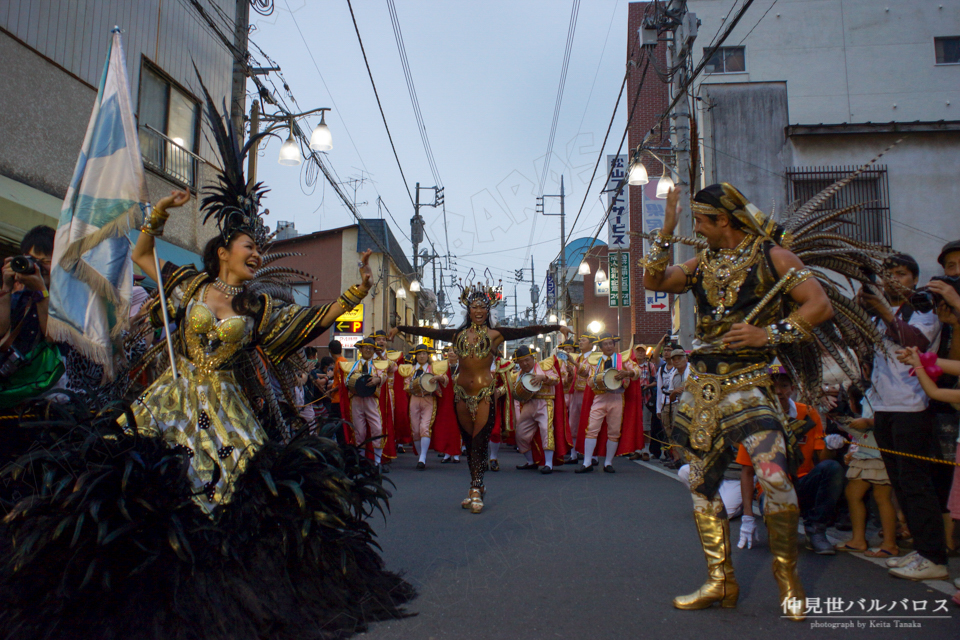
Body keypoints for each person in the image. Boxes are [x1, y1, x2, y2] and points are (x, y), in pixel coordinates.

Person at [0, 89, 413, 638]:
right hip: (173, 398)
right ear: (223, 250)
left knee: (227, 494)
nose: (257, 253)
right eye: (249, 245)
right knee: (148, 486)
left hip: (226, 408)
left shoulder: (259, 306)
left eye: (260, 248)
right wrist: (159, 216)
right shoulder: (191, 283)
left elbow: (311, 322)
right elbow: (144, 257)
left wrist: (359, 290)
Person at [643, 183, 837, 621]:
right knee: (701, 485)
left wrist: (768, 334)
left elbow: (818, 305)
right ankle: (720, 580)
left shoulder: (775, 258)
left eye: (700, 220)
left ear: (723, 221)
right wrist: (666, 232)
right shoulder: (702, 262)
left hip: (750, 384)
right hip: (703, 388)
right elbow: (654, 280)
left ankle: (788, 577)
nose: (696, 227)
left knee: (774, 477)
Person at [387, 275, 568, 513]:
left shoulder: (496, 335)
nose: (479, 310)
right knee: (471, 442)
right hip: (461, 393)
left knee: (480, 442)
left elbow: (527, 329)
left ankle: (475, 487)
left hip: (485, 392)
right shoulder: (457, 336)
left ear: (488, 309)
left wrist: (557, 327)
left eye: (483, 307)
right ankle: (476, 484)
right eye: (475, 306)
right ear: (468, 309)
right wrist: (400, 328)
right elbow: (427, 332)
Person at [856, 253, 948, 580]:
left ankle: (935, 557)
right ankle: (922, 552)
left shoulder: (924, 308)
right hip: (884, 407)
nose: (894, 280)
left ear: (914, 277)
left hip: (912, 407)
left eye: (901, 274)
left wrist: (881, 308)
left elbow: (916, 342)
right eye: (888, 274)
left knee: (916, 484)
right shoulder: (882, 315)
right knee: (900, 484)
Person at [736, 367, 844, 555]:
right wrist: (748, 517)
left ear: (792, 388)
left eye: (784, 385)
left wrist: (830, 447)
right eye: (772, 386)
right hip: (771, 490)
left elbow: (822, 459)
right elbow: (747, 471)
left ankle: (816, 530)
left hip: (802, 483)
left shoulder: (808, 413)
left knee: (832, 468)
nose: (779, 391)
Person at [0, 225, 64, 409]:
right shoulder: (19, 297)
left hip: (45, 398)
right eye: (31, 260)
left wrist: (41, 292)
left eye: (45, 261)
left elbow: (53, 337)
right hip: (11, 389)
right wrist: (6, 287)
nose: (37, 267)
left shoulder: (67, 300)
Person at [833, 384, 899, 558]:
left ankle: (890, 544)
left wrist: (868, 422)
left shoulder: (889, 390)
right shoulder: (869, 391)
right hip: (865, 450)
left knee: (882, 496)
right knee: (853, 493)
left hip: (882, 451)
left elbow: (893, 418)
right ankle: (858, 540)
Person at [575, 333, 640, 474]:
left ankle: (608, 462)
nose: (609, 346)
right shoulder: (595, 361)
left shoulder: (622, 359)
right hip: (600, 397)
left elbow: (637, 370)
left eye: (611, 343)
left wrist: (627, 374)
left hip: (617, 397)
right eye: (606, 344)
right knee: (592, 428)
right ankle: (587, 462)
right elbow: (588, 377)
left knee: (614, 431)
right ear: (600, 347)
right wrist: (594, 379)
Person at [510, 345, 567, 474]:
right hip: (529, 404)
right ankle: (530, 461)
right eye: (521, 361)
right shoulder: (517, 375)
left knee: (546, 430)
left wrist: (544, 378)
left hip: (545, 402)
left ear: (533, 358)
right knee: (520, 433)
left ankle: (548, 463)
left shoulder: (544, 367)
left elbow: (556, 379)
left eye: (527, 360)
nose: (525, 363)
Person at [339, 336, 389, 470]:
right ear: (360, 349)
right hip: (356, 400)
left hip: (371, 400)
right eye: (365, 347)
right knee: (359, 431)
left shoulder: (377, 365)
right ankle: (360, 461)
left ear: (374, 350)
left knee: (377, 428)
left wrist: (378, 380)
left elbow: (384, 375)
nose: (368, 350)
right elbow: (346, 381)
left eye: (371, 348)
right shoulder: (352, 366)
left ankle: (378, 461)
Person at [399, 343, 448, 469]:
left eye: (424, 354)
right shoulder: (410, 369)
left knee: (424, 427)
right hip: (415, 399)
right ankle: (421, 455)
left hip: (428, 399)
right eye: (419, 354)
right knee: (415, 429)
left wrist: (438, 377)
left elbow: (446, 380)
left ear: (428, 355)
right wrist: (411, 387)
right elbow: (405, 386)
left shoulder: (434, 369)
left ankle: (423, 458)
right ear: (415, 356)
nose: (422, 356)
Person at [663, 348, 691, 469]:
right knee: (677, 434)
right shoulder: (673, 374)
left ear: (686, 359)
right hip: (678, 405)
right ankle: (682, 460)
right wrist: (675, 392)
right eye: (675, 359)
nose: (677, 361)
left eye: (680, 358)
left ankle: (691, 461)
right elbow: (671, 396)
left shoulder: (693, 372)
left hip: (692, 405)